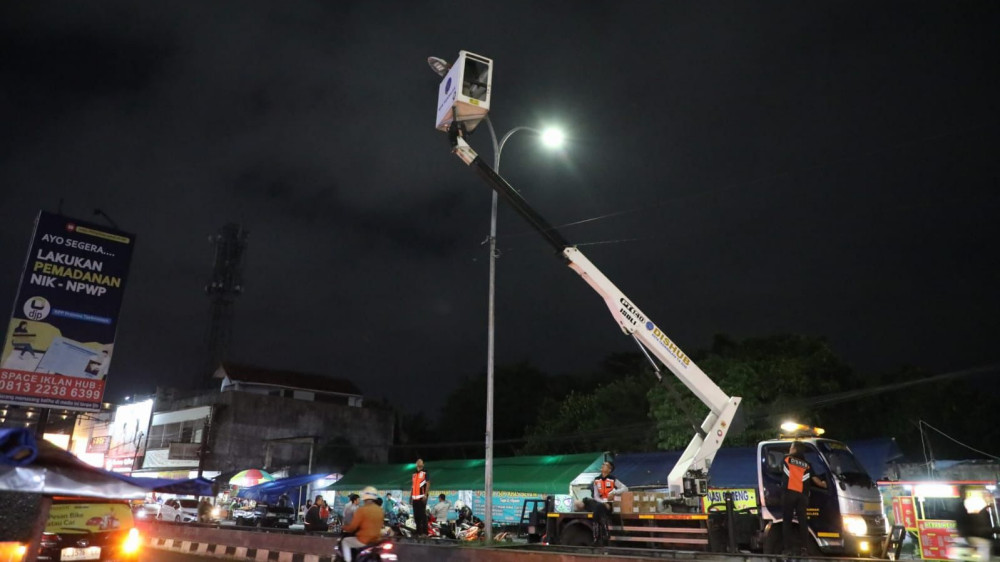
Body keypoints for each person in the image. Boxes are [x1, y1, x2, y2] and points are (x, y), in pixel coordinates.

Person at [782, 441, 827, 555]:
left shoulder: (786, 460)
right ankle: (804, 549)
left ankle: (788, 550)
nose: (789, 449)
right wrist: (824, 484)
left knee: (787, 522)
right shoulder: (807, 464)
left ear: (795, 449)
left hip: (790, 494)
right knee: (803, 522)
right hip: (803, 496)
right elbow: (816, 480)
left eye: (791, 447)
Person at [340, 487, 384, 562]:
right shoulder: (380, 510)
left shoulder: (361, 510)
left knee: (345, 541)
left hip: (363, 540)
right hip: (376, 540)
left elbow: (352, 527)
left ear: (364, 498)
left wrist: (344, 527)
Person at [411, 458, 429, 536]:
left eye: (420, 461)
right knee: (416, 516)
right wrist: (411, 496)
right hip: (414, 498)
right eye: (417, 461)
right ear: (416, 464)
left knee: (422, 515)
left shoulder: (425, 472)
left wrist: (425, 495)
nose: (418, 462)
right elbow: (413, 486)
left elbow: (428, 483)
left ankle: (425, 532)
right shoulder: (414, 474)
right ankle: (418, 531)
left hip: (422, 497)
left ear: (423, 464)